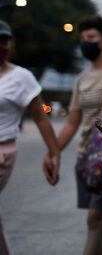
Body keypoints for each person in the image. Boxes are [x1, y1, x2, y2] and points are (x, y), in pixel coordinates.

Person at [53, 15, 102, 255]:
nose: (85, 43)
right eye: (82, 39)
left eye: (91, 38)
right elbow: (72, 122)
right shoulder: (81, 78)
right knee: (100, 218)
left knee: (95, 217)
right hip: (85, 157)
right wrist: (53, 152)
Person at [0, 19, 60, 254]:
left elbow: (41, 117)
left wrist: (54, 153)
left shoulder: (21, 77)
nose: (2, 45)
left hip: (3, 151)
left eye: (5, 40)